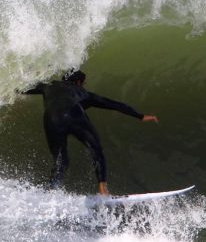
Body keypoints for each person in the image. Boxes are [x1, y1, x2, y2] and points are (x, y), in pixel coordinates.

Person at [19, 70, 158, 195]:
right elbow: (114, 104)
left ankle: (50, 190)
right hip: (75, 116)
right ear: (78, 82)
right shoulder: (83, 93)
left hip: (52, 120)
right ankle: (103, 188)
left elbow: (22, 89)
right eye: (83, 82)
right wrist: (140, 116)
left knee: (61, 162)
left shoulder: (48, 86)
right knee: (96, 150)